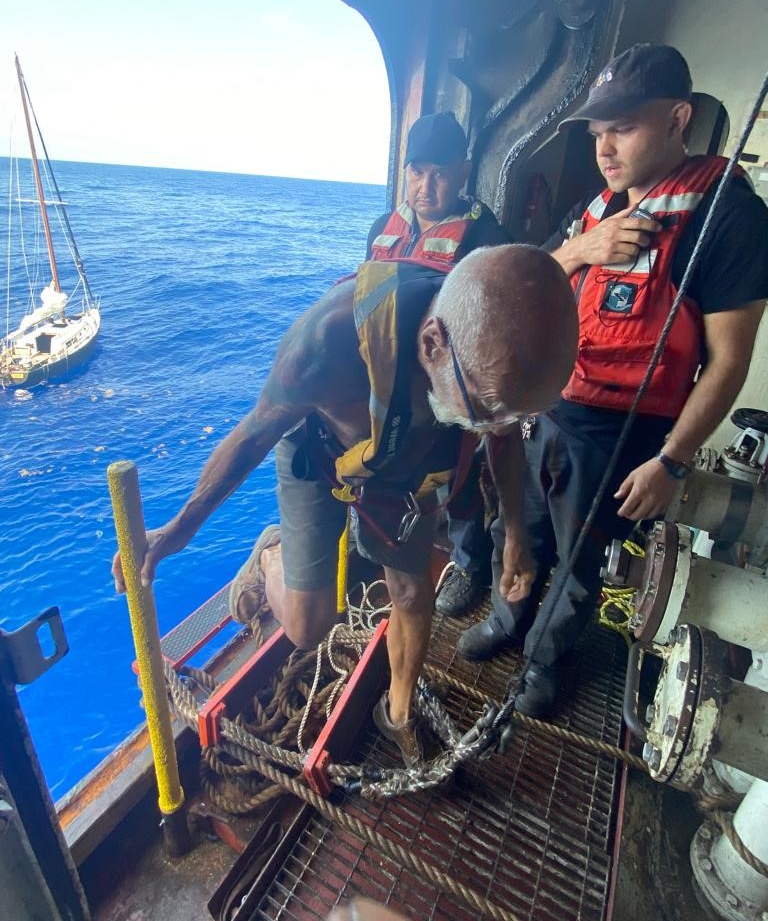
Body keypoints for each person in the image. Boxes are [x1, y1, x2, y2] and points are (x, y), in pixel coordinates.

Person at [112, 244, 578, 765]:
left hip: (403, 464)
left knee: (411, 592)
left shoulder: (488, 361)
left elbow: (502, 433)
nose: (497, 427)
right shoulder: (322, 347)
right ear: (432, 344)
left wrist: (514, 533)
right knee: (308, 628)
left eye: (508, 415)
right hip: (321, 452)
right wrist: (180, 529)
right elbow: (252, 435)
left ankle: (397, 713)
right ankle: (271, 554)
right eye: (485, 411)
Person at [458, 43, 768, 720]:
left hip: (622, 434)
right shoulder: (597, 210)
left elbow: (729, 363)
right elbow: (528, 284)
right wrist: (580, 249)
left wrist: (672, 463)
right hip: (548, 409)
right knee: (520, 526)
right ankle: (508, 618)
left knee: (582, 557)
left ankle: (544, 658)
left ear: (677, 118)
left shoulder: (728, 219)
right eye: (598, 131)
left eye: (623, 126)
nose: (605, 147)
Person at [367, 111, 511, 617]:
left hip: (450, 387)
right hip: (389, 384)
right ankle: (395, 541)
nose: (426, 186)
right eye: (417, 171)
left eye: (441, 173)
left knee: (459, 478)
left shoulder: (484, 236)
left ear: (464, 172)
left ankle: (471, 563)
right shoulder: (382, 228)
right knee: (393, 469)